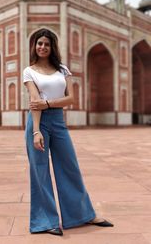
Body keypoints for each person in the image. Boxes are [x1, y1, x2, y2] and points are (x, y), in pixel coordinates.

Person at [23, 28, 113, 236]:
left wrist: (48, 103)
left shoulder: (62, 70)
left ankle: (82, 215)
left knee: (69, 167)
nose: (42, 47)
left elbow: (71, 98)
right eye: (39, 43)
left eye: (46, 44)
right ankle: (45, 221)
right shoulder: (29, 71)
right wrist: (36, 132)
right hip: (39, 123)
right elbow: (35, 104)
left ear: (52, 46)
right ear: (34, 46)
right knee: (40, 171)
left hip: (58, 121)